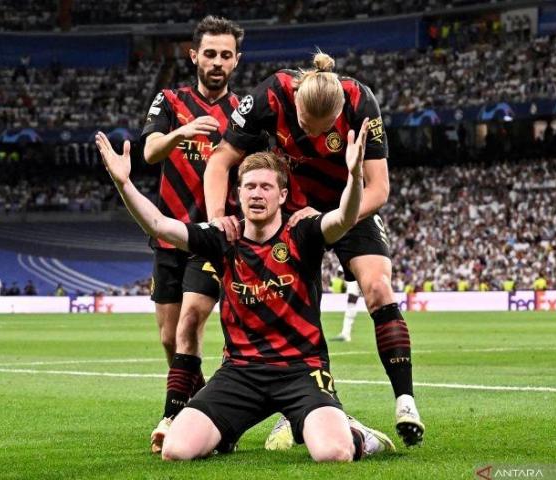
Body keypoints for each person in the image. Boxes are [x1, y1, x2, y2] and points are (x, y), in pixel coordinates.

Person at [95, 116, 395, 462]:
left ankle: (358, 435)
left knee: (332, 453)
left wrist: (355, 176)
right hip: (240, 374)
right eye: (249, 186)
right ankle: (228, 430)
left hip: (301, 371)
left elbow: (343, 218)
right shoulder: (223, 237)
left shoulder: (304, 233)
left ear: (283, 195)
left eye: (266, 187)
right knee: (176, 451)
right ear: (237, 193)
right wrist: (124, 183)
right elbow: (160, 225)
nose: (256, 193)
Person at [203, 50, 424, 447]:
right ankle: (253, 411)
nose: (317, 138)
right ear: (297, 105)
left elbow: (380, 188)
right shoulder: (270, 96)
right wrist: (219, 218)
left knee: (378, 287)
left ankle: (405, 400)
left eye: (327, 132)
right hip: (287, 210)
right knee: (260, 298)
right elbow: (220, 161)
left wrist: (329, 217)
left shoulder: (361, 103)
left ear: (340, 113)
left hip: (348, 205)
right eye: (307, 126)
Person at [139, 15, 246, 452]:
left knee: (192, 319)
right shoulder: (169, 100)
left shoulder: (243, 111)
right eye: (210, 54)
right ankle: (203, 410)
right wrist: (181, 132)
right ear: (194, 56)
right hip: (169, 232)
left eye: (226, 55)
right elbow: (148, 152)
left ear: (236, 60)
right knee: (169, 337)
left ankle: (174, 412)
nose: (217, 62)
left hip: (212, 236)